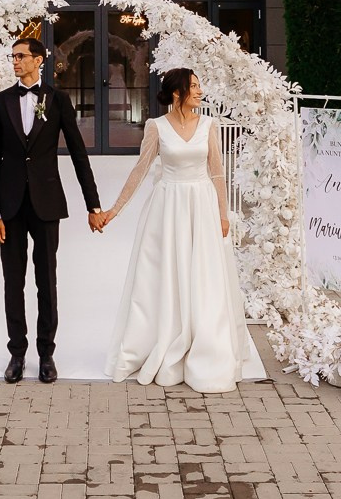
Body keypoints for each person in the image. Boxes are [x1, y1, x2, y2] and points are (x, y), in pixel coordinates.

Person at [96, 67, 253, 392]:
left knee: (202, 276)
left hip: (201, 206)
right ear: (178, 92)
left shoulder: (209, 124)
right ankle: (163, 339)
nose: (199, 91)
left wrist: (223, 215)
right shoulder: (156, 127)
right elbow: (140, 171)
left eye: (199, 85)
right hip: (167, 209)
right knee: (165, 275)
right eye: (194, 86)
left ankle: (205, 345)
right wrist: (115, 210)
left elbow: (218, 172)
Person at [0, 35, 103, 384]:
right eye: (13, 57)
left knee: (46, 281)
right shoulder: (0, 102)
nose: (15, 62)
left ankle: (47, 354)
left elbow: (79, 155)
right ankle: (17, 355)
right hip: (9, 207)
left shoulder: (58, 100)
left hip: (47, 203)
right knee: (12, 282)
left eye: (21, 56)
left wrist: (92, 204)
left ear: (39, 60)